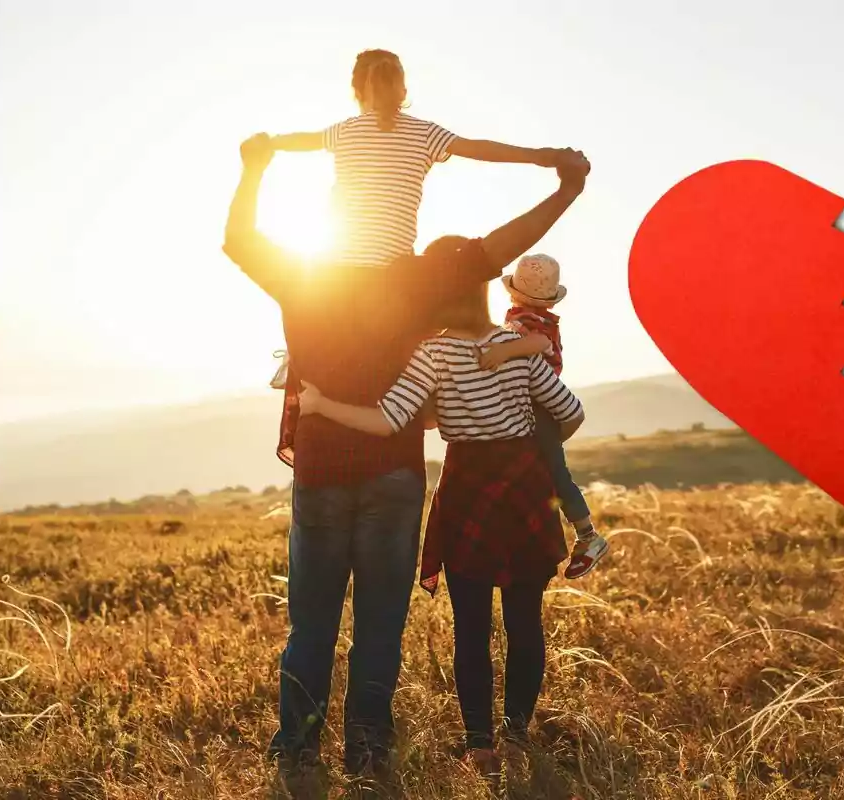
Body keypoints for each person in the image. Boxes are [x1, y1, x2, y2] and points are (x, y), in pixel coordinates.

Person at [220, 130, 590, 781]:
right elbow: (498, 249)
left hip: (319, 473)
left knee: (311, 627)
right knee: (379, 627)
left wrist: (254, 169)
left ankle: (297, 744)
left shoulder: (303, 273)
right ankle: (367, 747)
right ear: (400, 204)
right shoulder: (419, 278)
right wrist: (565, 187)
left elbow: (240, 241)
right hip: (392, 475)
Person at [295, 274, 585, 786]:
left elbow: (389, 421)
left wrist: (320, 406)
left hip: (468, 490)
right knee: (525, 624)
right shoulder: (514, 346)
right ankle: (516, 734)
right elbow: (570, 412)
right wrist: (529, 444)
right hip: (523, 488)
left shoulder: (433, 353)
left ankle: (481, 746)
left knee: (471, 629)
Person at [265, 48, 566, 387]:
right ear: (403, 92)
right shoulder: (424, 133)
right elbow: (481, 148)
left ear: (357, 93)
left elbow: (302, 141)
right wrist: (541, 157)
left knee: (305, 288)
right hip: (395, 274)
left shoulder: (344, 131)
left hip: (336, 272)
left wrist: (269, 144)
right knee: (445, 283)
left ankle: (298, 356)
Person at [477, 254, 609, 578]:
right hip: (533, 403)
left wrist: (502, 352)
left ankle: (588, 536)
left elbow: (537, 343)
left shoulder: (532, 323)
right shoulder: (531, 317)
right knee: (541, 470)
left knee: (554, 471)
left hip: (539, 404)